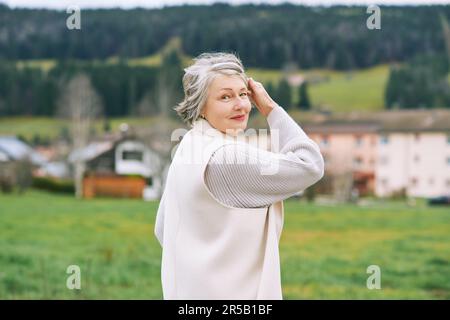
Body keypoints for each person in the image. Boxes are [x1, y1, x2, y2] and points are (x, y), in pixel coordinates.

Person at [154, 52, 324, 299]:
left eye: (243, 94)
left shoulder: (189, 146)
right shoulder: (226, 158)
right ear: (200, 106)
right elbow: (310, 164)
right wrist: (271, 109)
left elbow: (163, 228)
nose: (241, 105)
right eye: (225, 97)